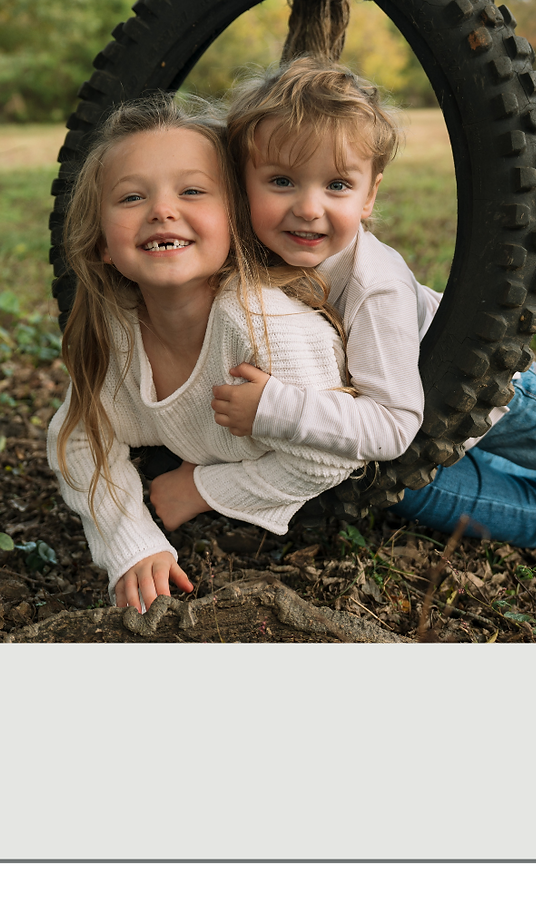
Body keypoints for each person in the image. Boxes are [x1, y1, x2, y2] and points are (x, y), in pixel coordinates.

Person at [212, 57, 536, 549]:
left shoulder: (376, 284)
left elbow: (391, 421)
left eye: (337, 185)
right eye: (282, 181)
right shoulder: (247, 257)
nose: (309, 207)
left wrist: (274, 408)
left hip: (485, 385)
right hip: (412, 432)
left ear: (368, 196)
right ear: (240, 182)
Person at [47, 93, 357, 613]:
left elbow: (334, 453)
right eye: (130, 198)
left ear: (237, 220)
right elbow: (79, 439)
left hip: (425, 447)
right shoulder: (119, 333)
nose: (163, 210)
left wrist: (201, 487)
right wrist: (132, 542)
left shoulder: (262, 324)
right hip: (332, 484)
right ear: (102, 241)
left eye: (192, 190)